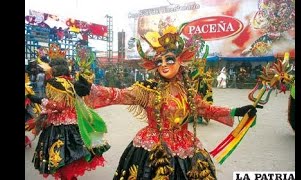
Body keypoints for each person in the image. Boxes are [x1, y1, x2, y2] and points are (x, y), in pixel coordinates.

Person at [84, 25, 259, 179]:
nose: (163, 64)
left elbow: (206, 110)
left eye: (169, 59)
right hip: (153, 145)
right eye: (158, 61)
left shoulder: (187, 89)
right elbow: (119, 95)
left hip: (186, 144)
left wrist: (237, 111)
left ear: (180, 61)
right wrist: (91, 89)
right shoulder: (148, 89)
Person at [25, 44, 110, 180]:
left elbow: (59, 107)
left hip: (59, 127)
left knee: (62, 162)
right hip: (73, 124)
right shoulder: (70, 82)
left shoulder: (54, 83)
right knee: (71, 160)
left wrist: (40, 100)